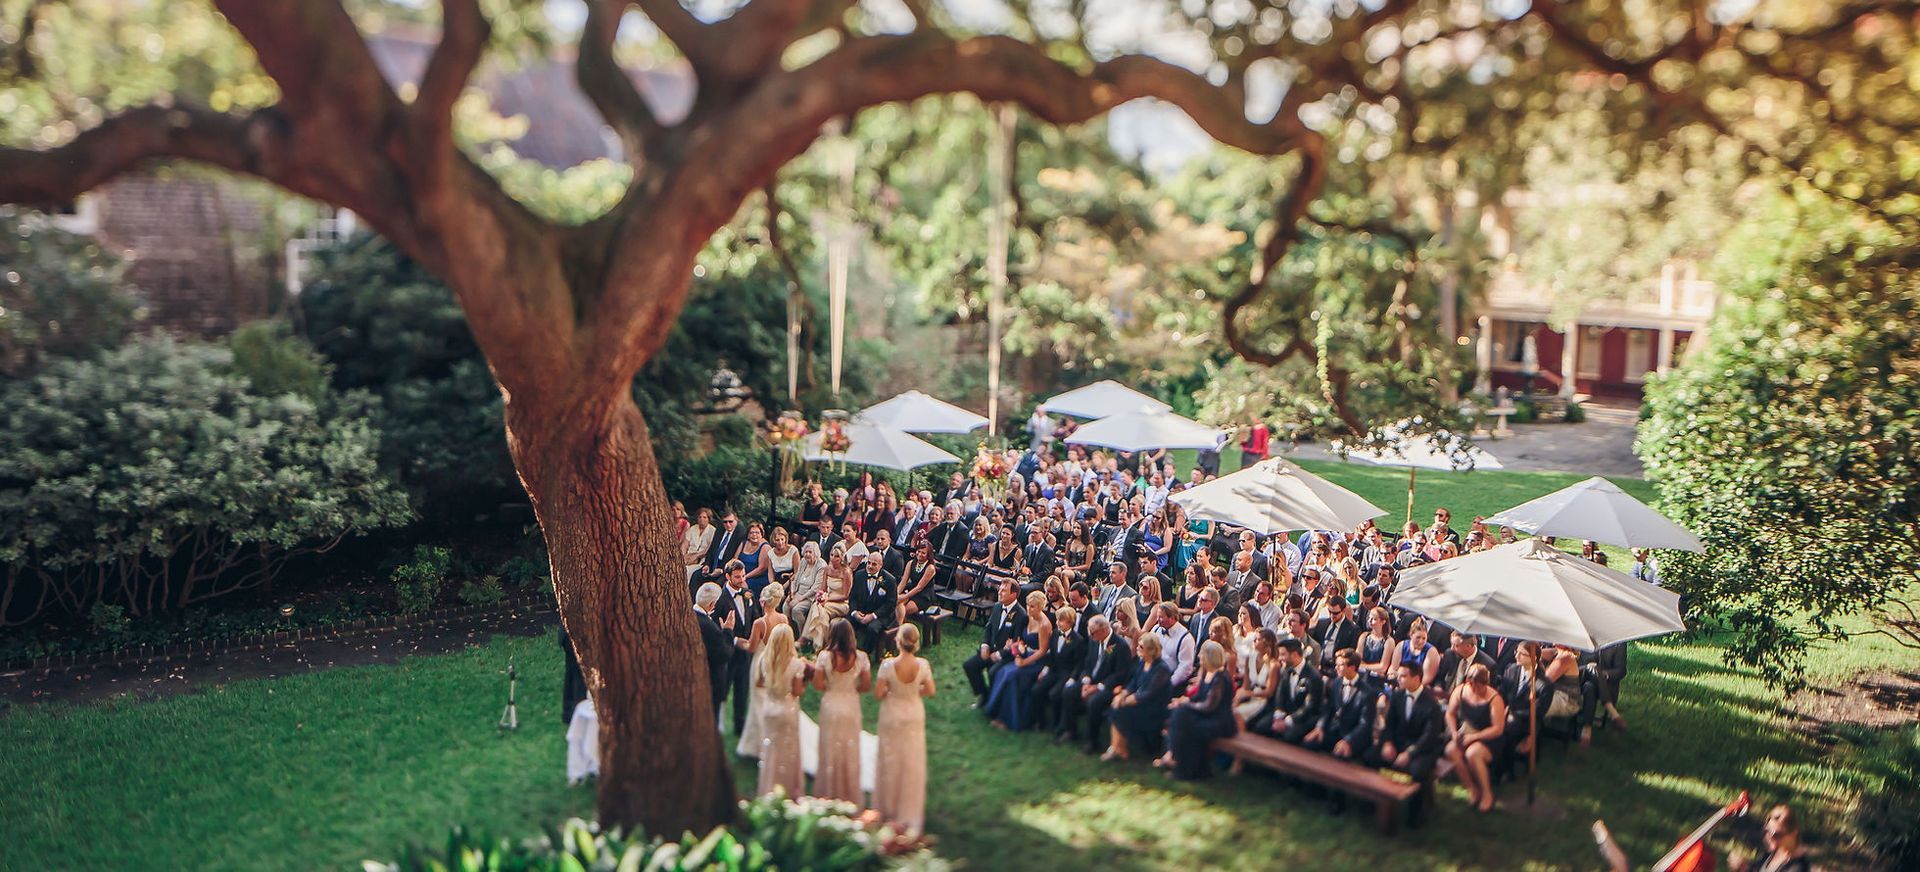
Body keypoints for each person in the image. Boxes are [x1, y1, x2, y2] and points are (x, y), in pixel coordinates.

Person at [874, 622, 935, 835]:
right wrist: (911, 692)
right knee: (911, 758)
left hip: (892, 713)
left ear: (898, 641)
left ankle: (888, 804)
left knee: (890, 756)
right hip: (913, 712)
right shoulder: (923, 664)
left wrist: (896, 692)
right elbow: (930, 689)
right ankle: (908, 804)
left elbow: (879, 694)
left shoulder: (888, 665)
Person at [1054, 613, 1134, 751]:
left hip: (1110, 686)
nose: (1090, 636)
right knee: (1069, 691)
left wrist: (1097, 687)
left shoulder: (1121, 647)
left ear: (1103, 630)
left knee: (1094, 702)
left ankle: (1093, 740)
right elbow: (1088, 663)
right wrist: (1086, 681)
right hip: (1092, 680)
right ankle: (1070, 730)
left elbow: (1120, 674)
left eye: (1092, 633)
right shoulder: (1094, 641)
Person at [813, 619, 871, 804]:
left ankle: (829, 789)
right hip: (851, 704)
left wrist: (832, 686)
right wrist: (851, 689)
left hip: (831, 704)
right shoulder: (861, 657)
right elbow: (866, 685)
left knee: (829, 747)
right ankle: (847, 789)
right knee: (849, 747)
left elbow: (818, 684)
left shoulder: (824, 657)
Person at [1162, 640, 1237, 780]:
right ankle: (1181, 763)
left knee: (1186, 724)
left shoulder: (1220, 678)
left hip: (1219, 721)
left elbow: (1209, 706)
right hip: (1207, 716)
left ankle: (1183, 766)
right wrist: (1183, 701)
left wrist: (1185, 705)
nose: (1199, 657)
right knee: (1179, 716)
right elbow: (1198, 697)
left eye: (1202, 655)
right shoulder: (1207, 673)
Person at [983, 591, 1054, 731]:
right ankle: (995, 711)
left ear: (1041, 607)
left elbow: (1042, 651)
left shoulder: (1044, 625)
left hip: (1037, 662)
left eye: (1032, 606)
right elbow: (1022, 640)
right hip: (1024, 655)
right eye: (1027, 605)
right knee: (1002, 671)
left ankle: (1010, 719)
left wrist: (1023, 663)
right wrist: (1016, 647)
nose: (1028, 609)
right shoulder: (1029, 618)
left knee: (1012, 676)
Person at [735, 582, 790, 758]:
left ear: (764, 602)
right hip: (777, 663)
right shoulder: (783, 619)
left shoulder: (760, 623)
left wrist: (735, 640)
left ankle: (760, 744)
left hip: (761, 663)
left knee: (759, 702)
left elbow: (751, 647)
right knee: (773, 699)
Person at [1444, 663, 1508, 813]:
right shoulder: (1460, 691)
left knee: (1472, 753)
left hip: (1488, 737)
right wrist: (1454, 732)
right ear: (1469, 682)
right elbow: (1450, 713)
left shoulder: (1494, 699)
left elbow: (1498, 728)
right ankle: (1472, 788)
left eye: (1480, 686)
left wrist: (1474, 737)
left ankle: (1487, 793)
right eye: (1474, 686)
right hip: (1466, 732)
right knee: (1450, 751)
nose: (1477, 690)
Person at [1368, 663, 1447, 782]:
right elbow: (1389, 723)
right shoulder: (1397, 696)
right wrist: (1388, 743)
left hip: (1420, 748)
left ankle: (1415, 799)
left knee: (1417, 771)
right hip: (1398, 742)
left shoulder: (1432, 705)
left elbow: (1429, 736)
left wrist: (1409, 753)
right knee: (1370, 756)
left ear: (1416, 678)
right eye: (1398, 675)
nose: (1398, 679)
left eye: (1403, 676)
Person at [755, 623, 808, 798]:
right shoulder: (796, 664)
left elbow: (759, 683)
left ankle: (769, 786)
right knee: (789, 751)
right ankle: (788, 789)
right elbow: (798, 691)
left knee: (771, 749)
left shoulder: (764, 659)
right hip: (788, 709)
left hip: (770, 708)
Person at [1104, 632, 1172, 762]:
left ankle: (1119, 750)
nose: (1137, 648)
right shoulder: (1142, 663)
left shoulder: (1161, 669)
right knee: (1115, 707)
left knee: (1120, 711)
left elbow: (1149, 693)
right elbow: (1133, 684)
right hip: (1140, 702)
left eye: (1141, 647)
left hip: (1154, 708)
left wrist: (1127, 701)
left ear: (1150, 650)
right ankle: (1117, 748)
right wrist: (1122, 695)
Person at [714, 561, 762, 736]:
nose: (742, 580)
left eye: (743, 575)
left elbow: (756, 616)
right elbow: (716, 627)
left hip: (746, 652)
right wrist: (734, 640)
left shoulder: (749, 595)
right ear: (727, 577)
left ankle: (740, 729)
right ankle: (715, 725)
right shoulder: (720, 599)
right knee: (722, 689)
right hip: (728, 652)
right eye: (737, 577)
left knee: (742, 691)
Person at [1303, 650, 1373, 761]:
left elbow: (1365, 723)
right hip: (1333, 730)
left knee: (1339, 756)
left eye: (1340, 665)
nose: (1336, 668)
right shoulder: (1336, 683)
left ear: (1352, 667)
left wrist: (1348, 741)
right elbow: (1328, 709)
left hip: (1352, 735)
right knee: (1309, 743)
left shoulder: (1367, 692)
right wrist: (1319, 727)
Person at [964, 580, 1027, 704]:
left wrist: (1000, 654)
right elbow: (989, 628)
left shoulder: (1021, 615)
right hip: (990, 649)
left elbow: (1017, 642)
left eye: (1004, 590)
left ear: (1013, 595)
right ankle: (984, 695)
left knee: (993, 672)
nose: (999, 592)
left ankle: (994, 703)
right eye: (1000, 589)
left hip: (1006, 655)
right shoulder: (997, 606)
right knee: (970, 665)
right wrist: (985, 645)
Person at [1258, 636, 1323, 744]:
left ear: (1294, 655)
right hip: (1285, 713)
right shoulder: (1286, 669)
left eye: (1283, 654)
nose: (1280, 658)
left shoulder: (1313, 677)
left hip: (1303, 718)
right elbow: (1280, 693)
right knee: (1260, 727)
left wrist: (1288, 721)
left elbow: (1310, 706)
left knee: (1288, 737)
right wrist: (1279, 715)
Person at [1728, 805, 1811, 872]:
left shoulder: (1798, 867)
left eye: (1776, 835)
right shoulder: (1776, 851)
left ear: (1794, 833)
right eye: (1767, 831)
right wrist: (1744, 867)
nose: (1769, 837)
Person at [693, 582, 733, 723]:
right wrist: (728, 630)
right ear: (713, 605)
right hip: (711, 681)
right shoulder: (708, 626)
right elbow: (725, 654)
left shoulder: (690, 616)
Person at [848, 550, 898, 661]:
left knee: (872, 628)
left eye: (874, 564)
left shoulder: (889, 580)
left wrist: (873, 616)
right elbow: (853, 598)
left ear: (881, 565)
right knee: (846, 623)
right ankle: (847, 651)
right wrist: (855, 612)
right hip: (862, 611)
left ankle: (864, 656)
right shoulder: (859, 575)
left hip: (881, 615)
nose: (870, 566)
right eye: (869, 563)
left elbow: (890, 604)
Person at [802, 545, 852, 649]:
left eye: (837, 556)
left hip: (841, 604)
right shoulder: (827, 569)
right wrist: (819, 594)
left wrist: (827, 599)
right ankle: (820, 642)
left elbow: (845, 595)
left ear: (842, 557)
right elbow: (823, 588)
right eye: (832, 555)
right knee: (818, 607)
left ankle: (809, 639)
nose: (833, 558)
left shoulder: (846, 572)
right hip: (827, 600)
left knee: (818, 607)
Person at [1233, 628, 1280, 725]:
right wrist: (1238, 698)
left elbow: (1269, 692)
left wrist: (1249, 694)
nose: (1253, 641)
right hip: (1250, 694)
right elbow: (1246, 685)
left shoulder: (1273, 664)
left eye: (1257, 639)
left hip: (1263, 700)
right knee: (1230, 708)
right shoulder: (1249, 657)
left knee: (1237, 713)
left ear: (1266, 643)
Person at [1435, 632, 1497, 697]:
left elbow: (1485, 693)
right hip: (1443, 697)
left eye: (1456, 645)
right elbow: (1440, 677)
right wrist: (1438, 687)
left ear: (1468, 646)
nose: (1452, 648)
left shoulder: (1488, 665)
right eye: (1451, 644)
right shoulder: (1450, 654)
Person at [786, 541, 827, 637]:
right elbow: (795, 578)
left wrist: (800, 598)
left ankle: (803, 636)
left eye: (810, 552)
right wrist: (792, 594)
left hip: (810, 597)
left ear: (816, 553)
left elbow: (816, 588)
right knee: (786, 606)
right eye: (806, 552)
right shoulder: (803, 561)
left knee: (797, 609)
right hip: (798, 592)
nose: (807, 554)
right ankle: (789, 633)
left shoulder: (821, 565)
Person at [897, 541, 938, 626]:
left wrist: (904, 596)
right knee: (896, 604)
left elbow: (919, 587)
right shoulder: (910, 563)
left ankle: (900, 630)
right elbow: (903, 581)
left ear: (928, 555)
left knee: (904, 609)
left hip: (923, 595)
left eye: (923, 553)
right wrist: (896, 594)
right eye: (918, 551)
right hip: (911, 590)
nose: (919, 554)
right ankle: (897, 628)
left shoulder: (930, 568)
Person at [682, 507, 716, 583]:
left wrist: (696, 556)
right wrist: (683, 556)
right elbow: (685, 544)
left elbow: (708, 549)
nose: (701, 519)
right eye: (699, 517)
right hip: (688, 557)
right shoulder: (692, 528)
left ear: (709, 519)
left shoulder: (713, 531)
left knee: (688, 571)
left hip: (701, 560)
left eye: (704, 517)